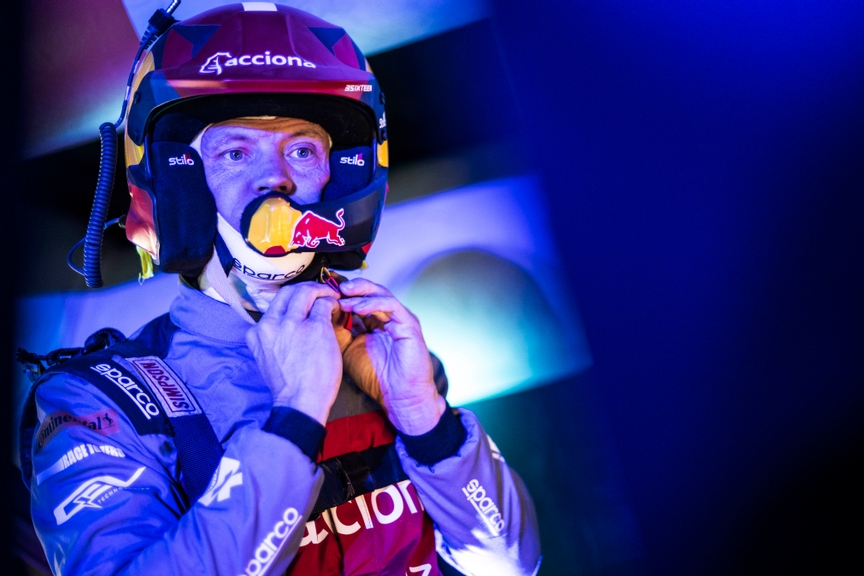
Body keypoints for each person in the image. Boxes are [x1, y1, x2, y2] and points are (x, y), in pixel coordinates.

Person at [19, 4, 540, 575]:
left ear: (336, 176)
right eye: (235, 153)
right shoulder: (96, 401)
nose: (277, 180)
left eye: (301, 150)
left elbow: (510, 564)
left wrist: (424, 416)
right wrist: (294, 417)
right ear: (177, 184)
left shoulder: (381, 353)